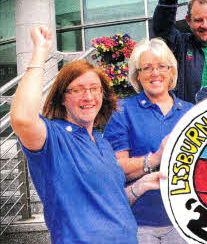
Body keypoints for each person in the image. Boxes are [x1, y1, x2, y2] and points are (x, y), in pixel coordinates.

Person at [10, 26, 163, 243]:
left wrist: (140, 186)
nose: (88, 96)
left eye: (95, 89)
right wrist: (39, 54)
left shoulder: (101, 142)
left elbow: (110, 203)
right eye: (78, 89)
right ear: (62, 97)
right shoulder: (53, 138)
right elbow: (22, 118)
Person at [104, 37, 192, 244]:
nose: (155, 73)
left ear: (171, 71)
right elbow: (115, 169)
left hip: (184, 222)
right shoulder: (122, 111)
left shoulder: (189, 112)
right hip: (139, 224)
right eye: (147, 68)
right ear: (137, 75)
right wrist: (156, 158)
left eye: (162, 66)